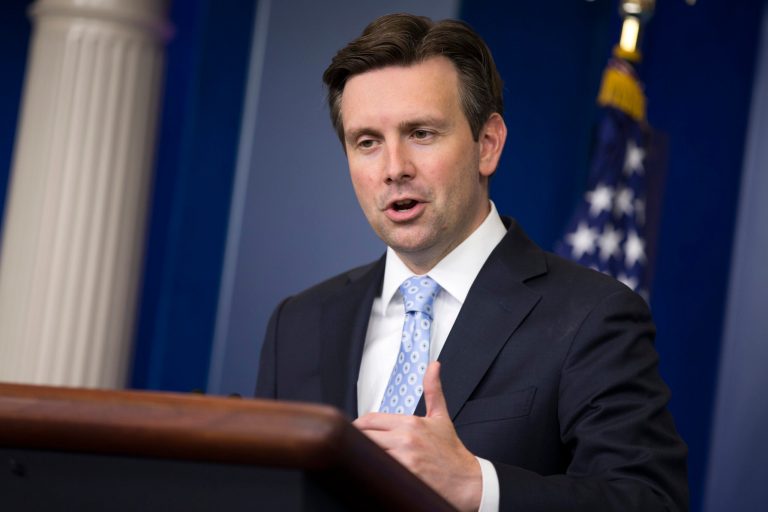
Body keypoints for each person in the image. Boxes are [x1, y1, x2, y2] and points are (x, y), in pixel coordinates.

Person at [256, 13, 687, 512]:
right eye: (367, 142)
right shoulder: (299, 322)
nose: (394, 168)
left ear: (487, 145)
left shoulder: (592, 317)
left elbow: (651, 500)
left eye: (421, 133)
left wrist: (479, 486)